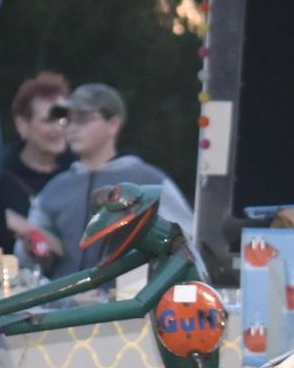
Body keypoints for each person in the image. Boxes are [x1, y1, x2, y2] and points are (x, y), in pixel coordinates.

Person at [26, 83, 198, 278]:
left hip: (126, 305)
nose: (72, 128)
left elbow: (187, 240)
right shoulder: (55, 188)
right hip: (60, 305)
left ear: (113, 125)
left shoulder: (150, 181)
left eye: (83, 119)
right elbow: (27, 259)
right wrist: (31, 251)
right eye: (68, 120)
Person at [0, 73, 71, 279]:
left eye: (64, 119)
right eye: (48, 120)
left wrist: (22, 226)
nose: (58, 128)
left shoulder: (78, 176)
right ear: (23, 125)